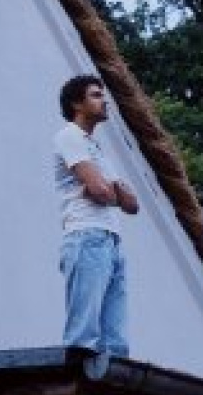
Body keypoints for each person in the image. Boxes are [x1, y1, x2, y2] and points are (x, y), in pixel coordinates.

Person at [54, 75, 139, 362]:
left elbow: (133, 205)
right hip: (86, 236)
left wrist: (104, 189)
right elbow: (103, 191)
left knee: (116, 344)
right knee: (83, 337)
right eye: (95, 95)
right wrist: (108, 189)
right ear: (77, 104)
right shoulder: (69, 136)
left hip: (112, 241)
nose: (105, 101)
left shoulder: (97, 149)